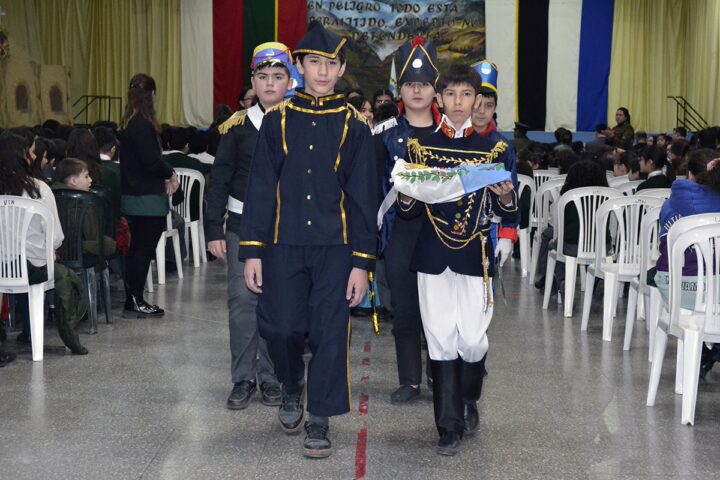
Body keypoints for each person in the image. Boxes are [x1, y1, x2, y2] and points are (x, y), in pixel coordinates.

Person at [239, 22, 377, 458]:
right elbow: (260, 189)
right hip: (283, 246)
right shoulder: (277, 121)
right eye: (313, 62)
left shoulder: (355, 127)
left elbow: (362, 198)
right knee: (280, 328)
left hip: (336, 250)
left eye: (330, 64)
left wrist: (362, 262)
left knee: (329, 333)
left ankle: (319, 417)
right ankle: (291, 384)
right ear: (299, 66)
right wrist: (252, 252)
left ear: (340, 70)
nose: (321, 71)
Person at [394, 62, 518, 455]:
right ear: (439, 98)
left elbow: (511, 213)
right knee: (441, 339)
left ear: (477, 99)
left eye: (467, 95)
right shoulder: (420, 147)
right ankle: (448, 426)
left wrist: (504, 197)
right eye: (451, 94)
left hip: (474, 254)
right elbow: (409, 213)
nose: (459, 102)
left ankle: (468, 399)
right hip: (431, 254)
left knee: (473, 340)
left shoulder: (495, 149)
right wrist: (407, 193)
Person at [206, 42, 293, 411]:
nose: (269, 84)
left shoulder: (300, 123)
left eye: (277, 76)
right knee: (242, 305)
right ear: (252, 82)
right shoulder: (236, 128)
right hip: (242, 227)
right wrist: (213, 229)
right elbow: (219, 180)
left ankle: (272, 378)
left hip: (287, 231)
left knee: (277, 306)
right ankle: (243, 378)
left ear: (290, 80)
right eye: (262, 77)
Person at [374, 36, 443, 405]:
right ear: (399, 89)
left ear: (436, 89)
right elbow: (369, 189)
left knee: (440, 307)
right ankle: (409, 380)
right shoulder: (383, 135)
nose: (417, 90)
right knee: (404, 304)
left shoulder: (450, 134)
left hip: (444, 234)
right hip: (400, 232)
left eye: (424, 84)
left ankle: (440, 370)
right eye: (409, 84)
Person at [0, 133, 89, 355]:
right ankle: (55, 334)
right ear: (22, 157)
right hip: (34, 268)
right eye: (31, 151)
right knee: (55, 272)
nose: (34, 155)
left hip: (1, 267)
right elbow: (56, 237)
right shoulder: (39, 189)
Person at [652, 150, 720, 377]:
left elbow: (664, 252)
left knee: (660, 272)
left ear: (689, 174)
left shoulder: (670, 205)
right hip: (716, 292)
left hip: (679, 291)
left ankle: (703, 347)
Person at [119, 73, 179, 317]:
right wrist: (171, 173)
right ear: (152, 95)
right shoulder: (143, 125)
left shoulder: (130, 123)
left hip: (133, 195)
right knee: (143, 250)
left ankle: (132, 297)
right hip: (146, 199)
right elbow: (152, 162)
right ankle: (135, 299)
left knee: (137, 250)